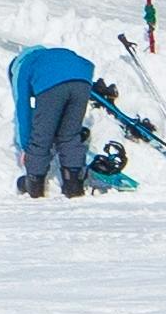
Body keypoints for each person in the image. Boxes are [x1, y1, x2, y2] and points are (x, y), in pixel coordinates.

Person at [9, 41, 105, 203]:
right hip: (82, 78)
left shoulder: (22, 67)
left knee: (41, 136)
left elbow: (23, 109)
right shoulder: (46, 57)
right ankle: (73, 184)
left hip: (52, 84)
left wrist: (25, 146)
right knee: (70, 134)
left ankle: (34, 184)